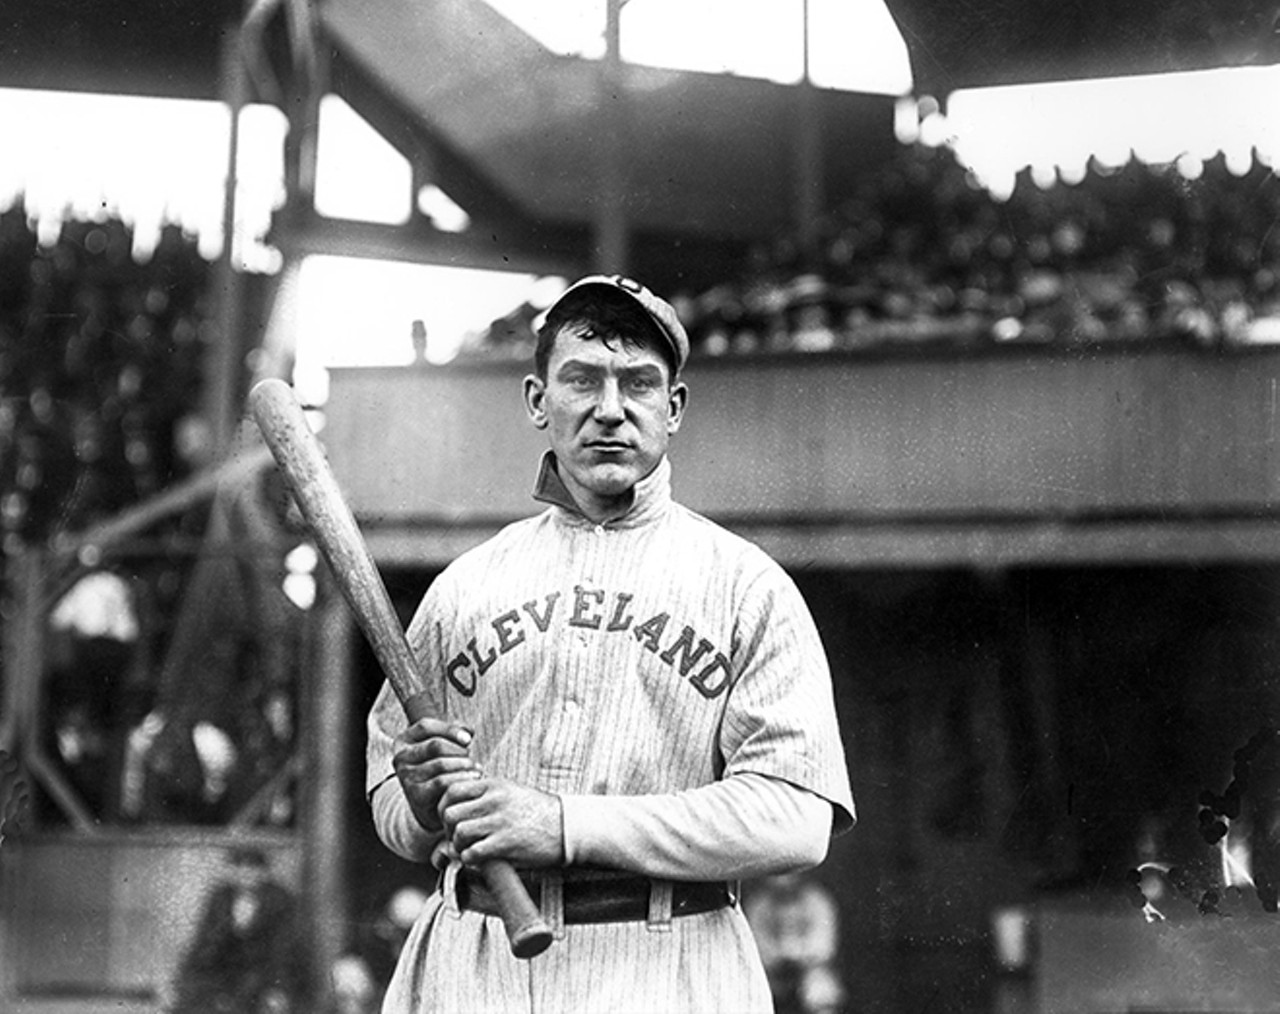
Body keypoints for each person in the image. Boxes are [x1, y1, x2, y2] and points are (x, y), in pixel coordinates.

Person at [365, 274, 855, 1012]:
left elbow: (795, 818)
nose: (610, 410)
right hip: (474, 963)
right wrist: (421, 803)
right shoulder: (464, 586)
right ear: (538, 400)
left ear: (674, 408)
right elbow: (394, 806)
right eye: (582, 380)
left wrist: (563, 826)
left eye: (639, 384)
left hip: (664, 963)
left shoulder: (746, 586)